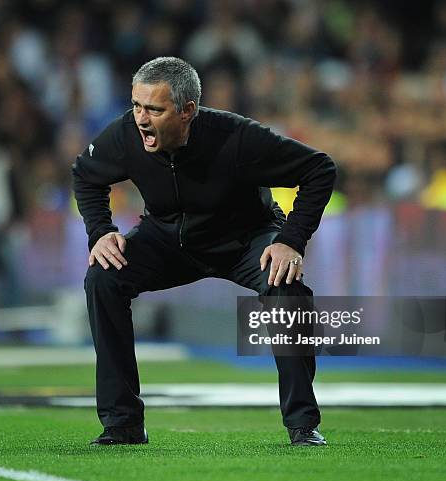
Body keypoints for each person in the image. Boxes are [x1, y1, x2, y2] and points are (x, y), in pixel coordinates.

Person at [72, 57, 336, 447]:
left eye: (155, 109)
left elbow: (320, 169)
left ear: (187, 111)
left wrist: (291, 240)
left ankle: (302, 424)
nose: (141, 119)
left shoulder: (237, 137)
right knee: (103, 278)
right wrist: (100, 233)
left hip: (246, 240)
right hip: (165, 240)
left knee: (286, 288)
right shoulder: (125, 135)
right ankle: (122, 423)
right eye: (136, 106)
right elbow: (85, 173)